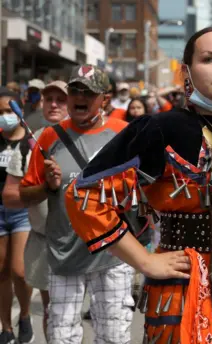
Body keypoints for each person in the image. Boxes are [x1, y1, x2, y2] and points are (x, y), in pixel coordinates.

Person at [64, 27, 212, 344]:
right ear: (187, 70)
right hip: (188, 292)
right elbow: (83, 196)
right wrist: (144, 260)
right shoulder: (162, 128)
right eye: (209, 59)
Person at [19, 65, 134, 344]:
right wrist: (47, 186)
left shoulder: (125, 133)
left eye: (88, 92)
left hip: (112, 255)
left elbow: (141, 189)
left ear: (104, 99)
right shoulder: (48, 136)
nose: (79, 97)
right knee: (61, 337)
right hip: (64, 254)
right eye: (74, 90)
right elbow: (24, 195)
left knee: (114, 337)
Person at [2, 80, 69, 341]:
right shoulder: (31, 143)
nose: (53, 104)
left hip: (85, 245)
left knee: (76, 314)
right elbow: (10, 195)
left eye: (60, 99)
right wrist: (44, 188)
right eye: (48, 98)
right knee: (54, 311)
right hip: (45, 241)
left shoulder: (92, 140)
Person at [0, 88, 33, 344]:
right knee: (1, 272)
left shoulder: (30, 140)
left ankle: (25, 315)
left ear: (20, 110)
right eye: (0, 112)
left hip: (22, 210)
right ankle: (6, 328)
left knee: (19, 271)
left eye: (9, 111)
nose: (4, 116)